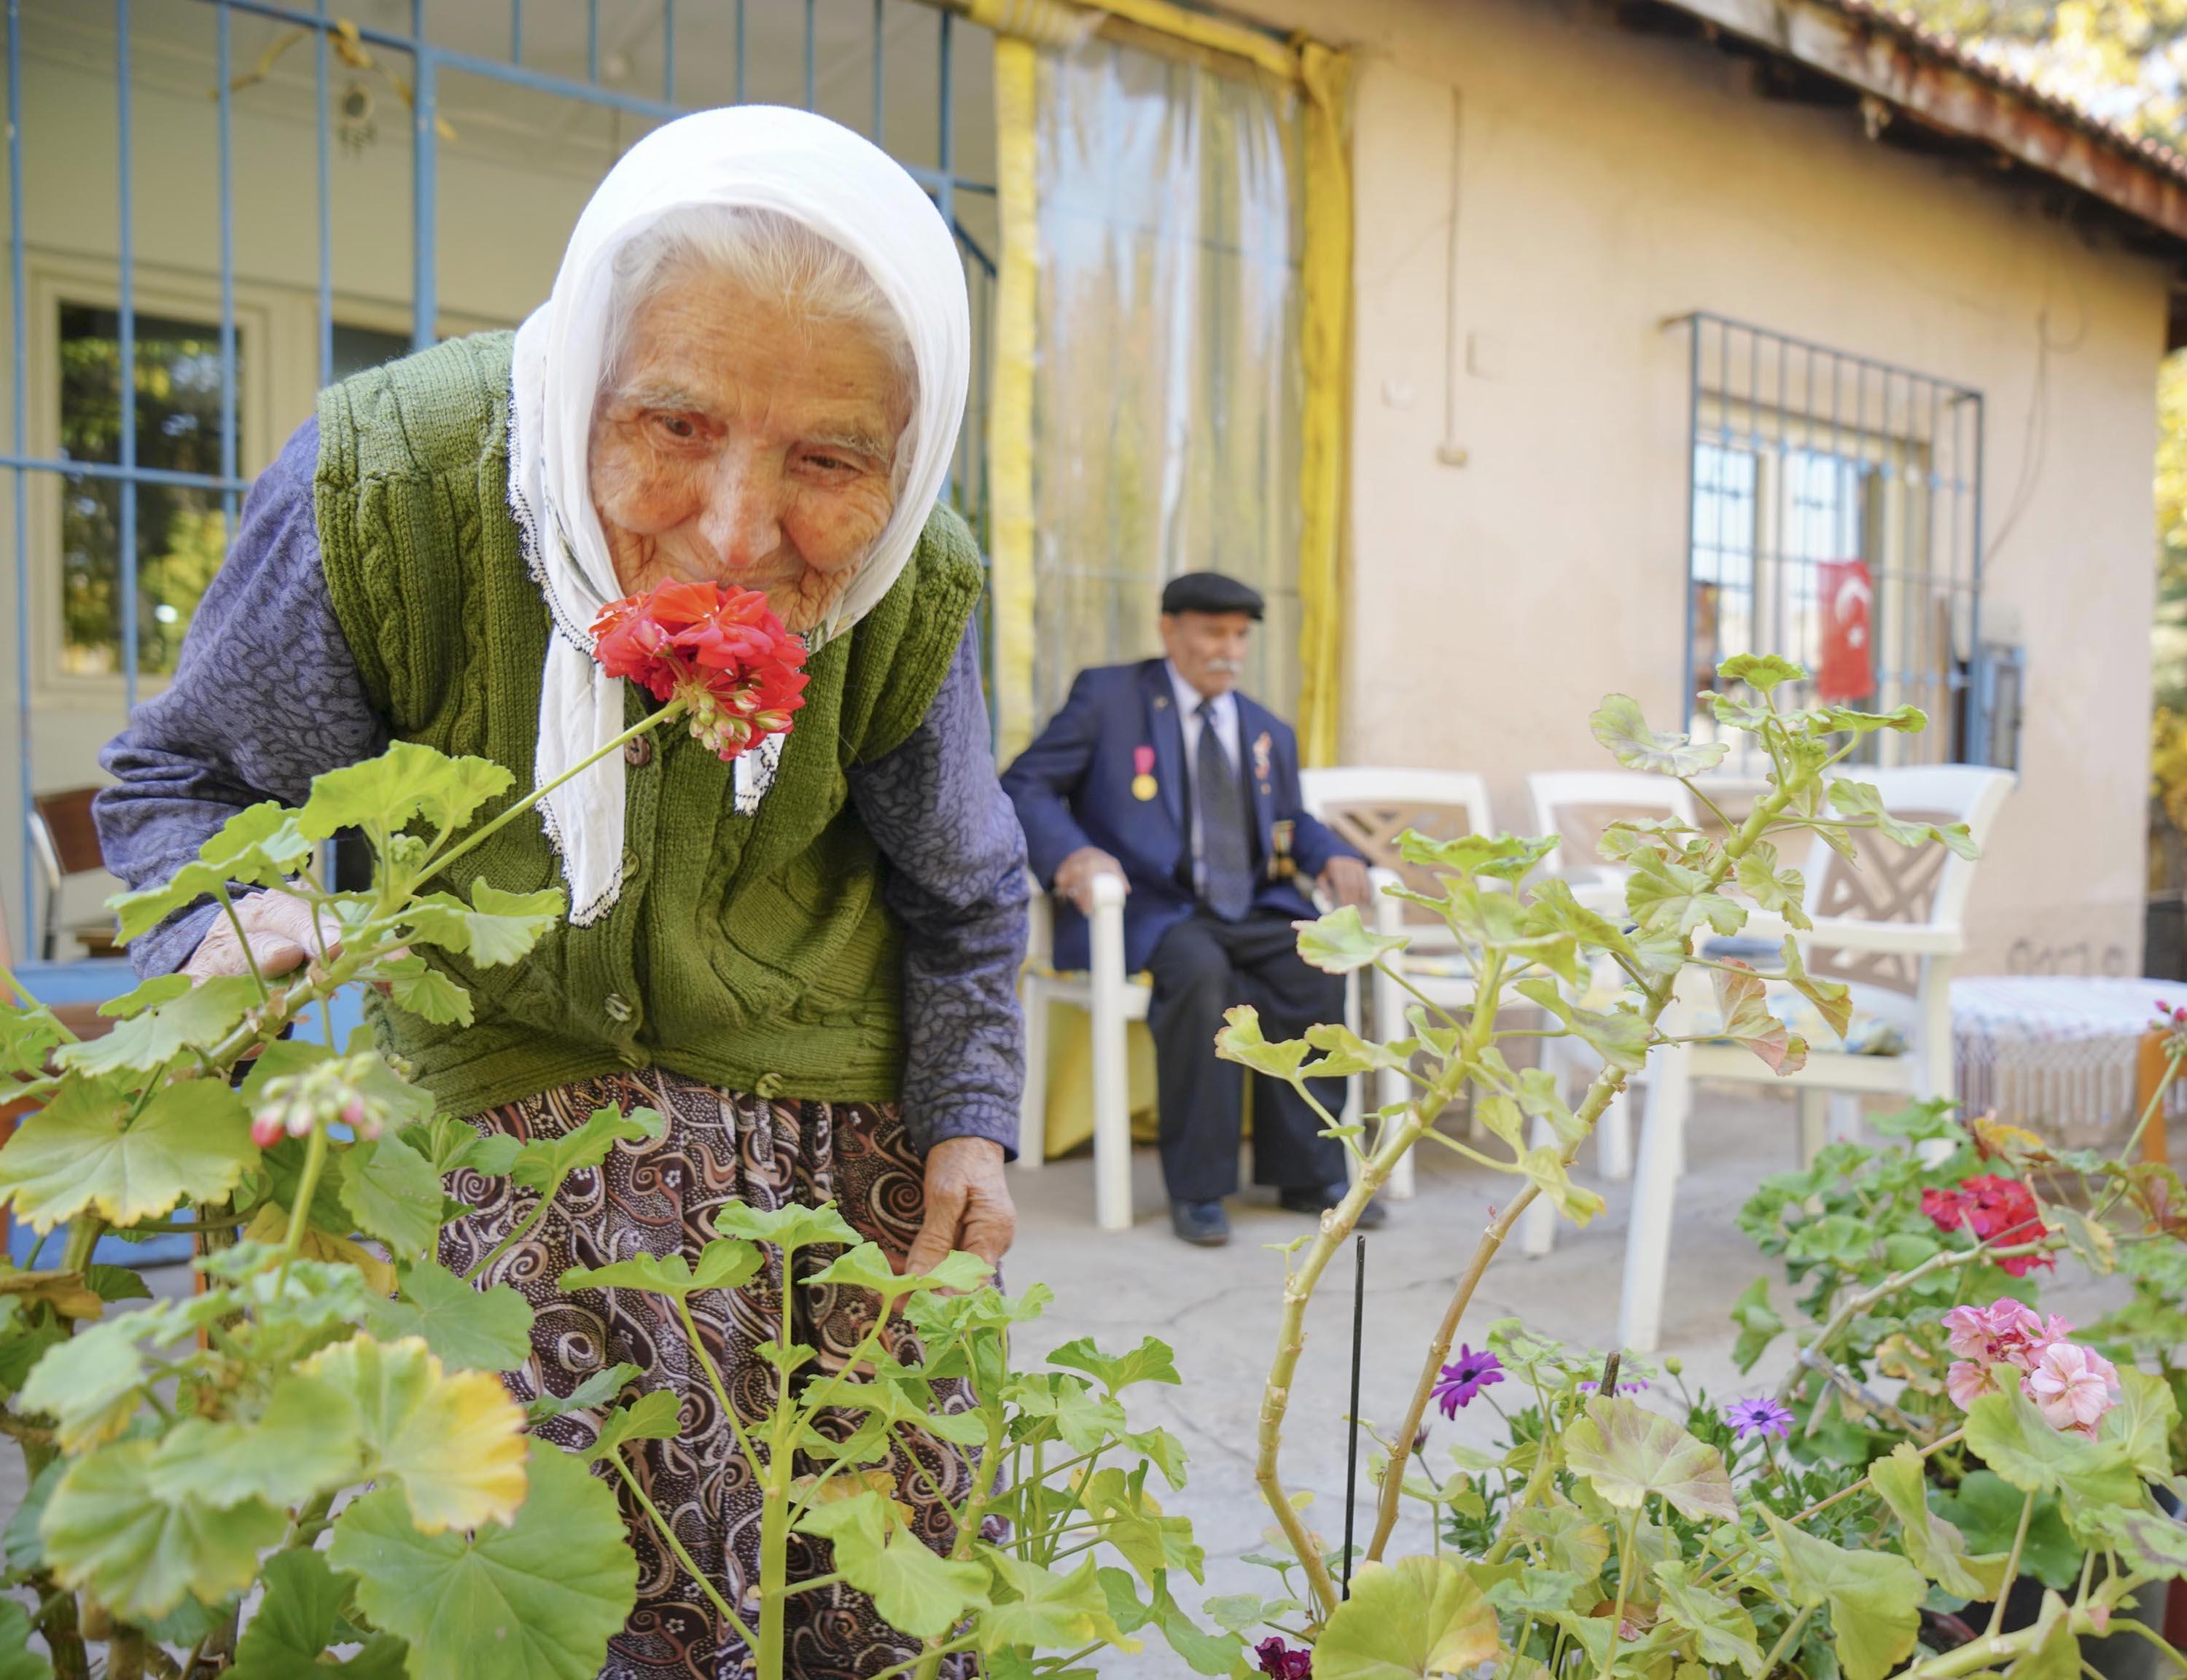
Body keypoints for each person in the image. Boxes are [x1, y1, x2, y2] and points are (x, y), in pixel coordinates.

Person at [93, 107, 1025, 1680]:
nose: (737, 531)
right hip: (485, 1115)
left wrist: (972, 1115)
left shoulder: (909, 579)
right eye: (672, 425)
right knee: (493, 1592)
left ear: (909, 454)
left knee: (857, 1584)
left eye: (829, 460)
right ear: (586, 368)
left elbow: (964, 889)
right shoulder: (403, 487)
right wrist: (224, 916)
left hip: (820, 1121)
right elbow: (177, 784)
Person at [1000, 572, 1383, 1247]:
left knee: (1315, 966)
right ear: (1169, 629)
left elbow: (1291, 817)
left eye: (1239, 635)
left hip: (1251, 903)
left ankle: (1309, 1175)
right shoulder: (1109, 697)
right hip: (1150, 909)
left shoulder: (1266, 729)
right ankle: (1200, 1188)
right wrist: (1074, 856)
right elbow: (1026, 784)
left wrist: (1334, 854)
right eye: (1212, 631)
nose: (1228, 650)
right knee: (1203, 975)